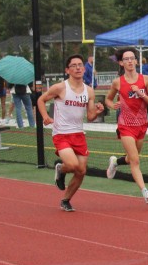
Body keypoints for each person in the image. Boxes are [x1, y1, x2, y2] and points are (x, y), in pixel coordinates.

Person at [36, 55, 106, 212]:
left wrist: (97, 111)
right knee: (73, 165)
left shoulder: (89, 91)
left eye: (80, 65)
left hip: (78, 134)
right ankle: (61, 169)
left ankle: (65, 200)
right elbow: (41, 100)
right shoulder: (60, 87)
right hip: (61, 133)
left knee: (81, 171)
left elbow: (90, 117)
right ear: (67, 70)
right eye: (74, 65)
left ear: (84, 68)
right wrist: (45, 116)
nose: (78, 68)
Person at [104, 47, 148, 204]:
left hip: (142, 125)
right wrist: (112, 105)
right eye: (126, 59)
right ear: (121, 63)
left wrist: (141, 94)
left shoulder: (145, 79)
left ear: (136, 61)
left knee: (131, 158)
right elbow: (108, 99)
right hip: (126, 125)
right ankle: (145, 193)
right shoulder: (118, 82)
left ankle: (115, 162)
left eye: (132, 58)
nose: (129, 61)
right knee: (135, 161)